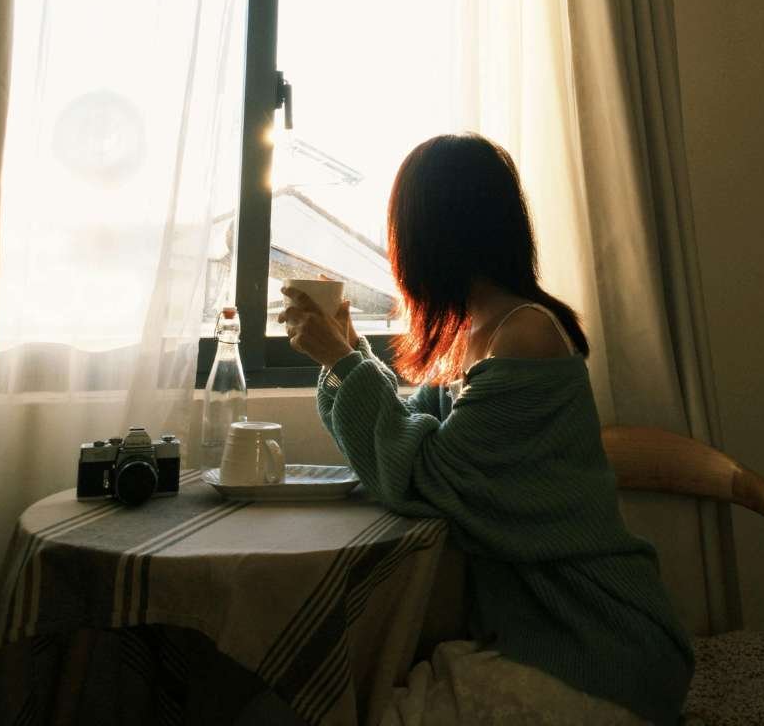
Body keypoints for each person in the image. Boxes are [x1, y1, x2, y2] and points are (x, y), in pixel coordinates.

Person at [278, 133, 693, 725]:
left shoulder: (526, 335)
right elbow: (410, 437)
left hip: (601, 644)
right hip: (546, 632)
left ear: (432, 235)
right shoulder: (477, 335)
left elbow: (423, 476)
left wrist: (345, 363)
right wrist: (349, 353)